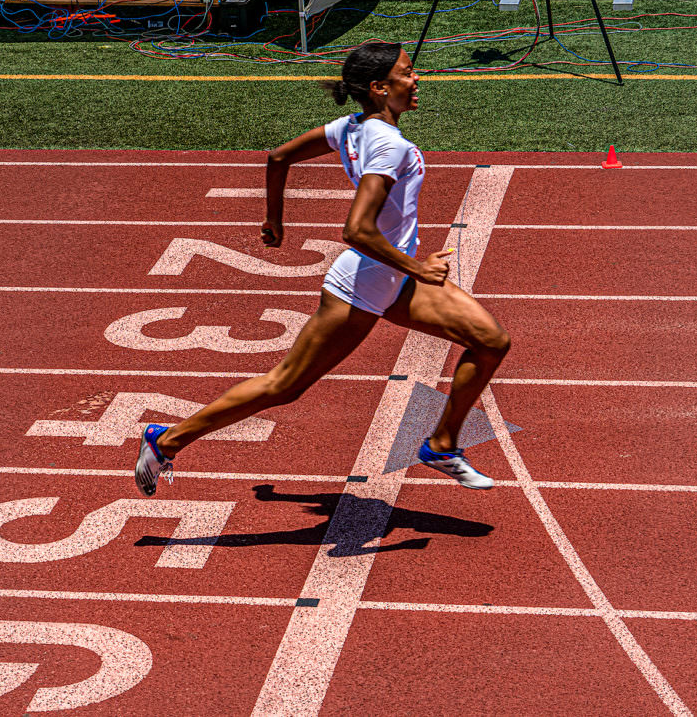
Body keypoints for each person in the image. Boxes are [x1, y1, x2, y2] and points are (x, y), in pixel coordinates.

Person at [133, 42, 511, 495]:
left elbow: (278, 157)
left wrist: (275, 220)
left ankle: (442, 445)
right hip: (364, 283)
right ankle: (166, 440)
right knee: (285, 385)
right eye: (407, 74)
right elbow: (356, 231)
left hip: (391, 276)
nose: (416, 80)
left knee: (490, 342)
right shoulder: (389, 145)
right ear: (379, 87)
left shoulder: (350, 127)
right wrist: (417, 267)